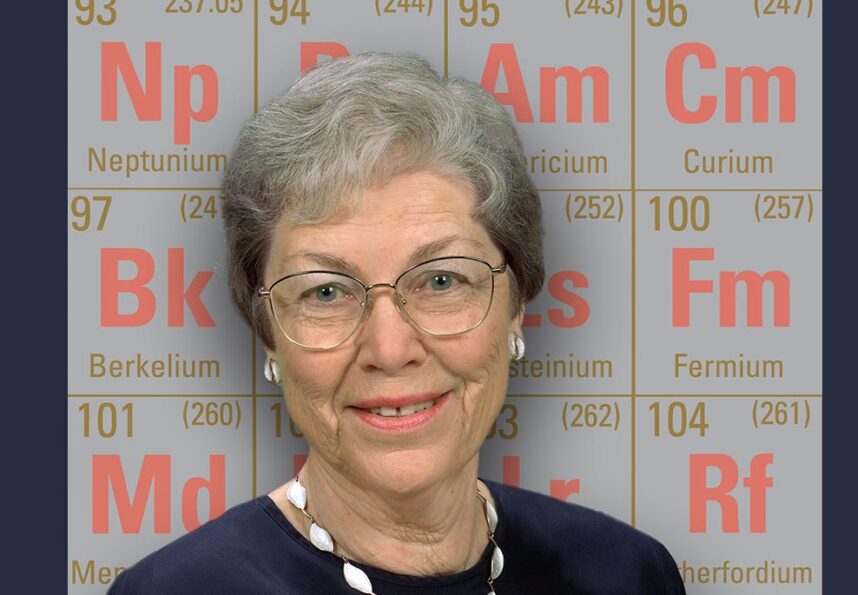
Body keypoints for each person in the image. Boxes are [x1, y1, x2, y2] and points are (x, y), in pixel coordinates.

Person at [108, 51, 686, 594]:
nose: (389, 348)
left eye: (441, 281)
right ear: (268, 337)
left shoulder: (628, 572)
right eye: (326, 292)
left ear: (517, 308)